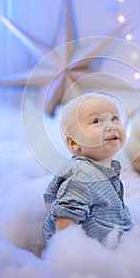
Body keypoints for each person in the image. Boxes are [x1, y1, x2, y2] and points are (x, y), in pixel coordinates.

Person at [42, 92, 133, 246]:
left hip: (114, 247)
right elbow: (65, 224)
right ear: (73, 143)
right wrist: (70, 258)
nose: (111, 126)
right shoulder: (80, 175)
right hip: (90, 255)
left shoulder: (106, 168)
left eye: (114, 118)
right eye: (97, 121)